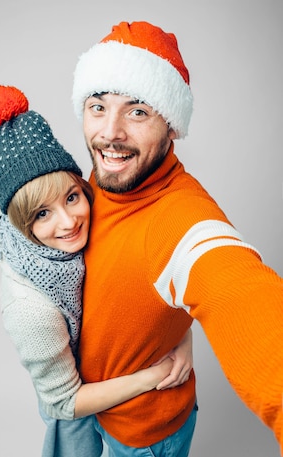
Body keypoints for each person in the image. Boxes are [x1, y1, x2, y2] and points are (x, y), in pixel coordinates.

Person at [70, 20, 283, 455]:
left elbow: (234, 286)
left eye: (138, 111)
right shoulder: (95, 183)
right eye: (97, 106)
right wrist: (179, 330)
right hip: (88, 414)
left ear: (172, 127)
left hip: (141, 436)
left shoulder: (178, 217)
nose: (110, 132)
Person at [0, 84, 194, 457]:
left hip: (124, 401)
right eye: (42, 214)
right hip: (85, 402)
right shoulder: (30, 308)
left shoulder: (99, 204)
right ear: (20, 223)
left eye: (71, 197)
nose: (69, 222)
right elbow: (63, 403)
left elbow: (151, 287)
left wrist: (181, 340)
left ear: (83, 185)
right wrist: (153, 375)